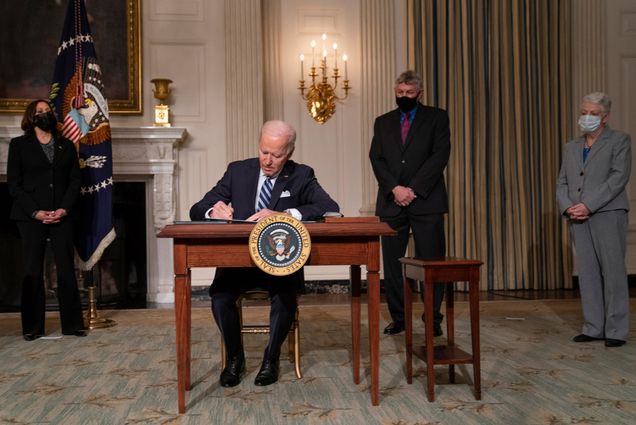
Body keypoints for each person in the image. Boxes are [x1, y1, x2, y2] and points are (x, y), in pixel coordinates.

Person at [190, 120, 339, 387]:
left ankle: (271, 358)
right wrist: (214, 211)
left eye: (276, 154)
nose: (268, 160)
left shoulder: (301, 175)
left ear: (289, 153)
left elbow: (329, 206)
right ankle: (235, 359)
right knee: (219, 296)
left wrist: (283, 215)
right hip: (238, 262)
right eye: (264, 151)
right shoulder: (238, 171)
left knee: (285, 296)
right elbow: (198, 207)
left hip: (279, 261)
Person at [369, 70, 451, 336]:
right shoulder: (382, 122)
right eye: (400, 93)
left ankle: (433, 317)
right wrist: (395, 188)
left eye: (409, 94)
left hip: (426, 201)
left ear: (420, 93)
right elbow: (376, 158)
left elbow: (439, 156)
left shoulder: (437, 117)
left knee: (432, 262)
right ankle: (399, 318)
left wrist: (412, 189)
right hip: (392, 202)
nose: (404, 97)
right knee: (393, 265)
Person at [7, 99, 87, 341]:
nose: (45, 114)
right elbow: (14, 184)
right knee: (32, 270)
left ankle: (72, 325)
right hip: (30, 217)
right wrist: (35, 212)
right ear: (31, 117)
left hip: (63, 215)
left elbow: (75, 181)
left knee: (66, 269)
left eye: (48, 111)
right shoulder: (19, 145)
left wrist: (63, 209)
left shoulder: (66, 145)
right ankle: (32, 327)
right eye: (39, 112)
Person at [557, 92, 631, 348]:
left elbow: (618, 178)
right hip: (577, 217)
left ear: (605, 117)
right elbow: (562, 182)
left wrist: (589, 205)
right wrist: (569, 207)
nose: (587, 117)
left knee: (612, 273)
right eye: (584, 112)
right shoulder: (571, 146)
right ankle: (593, 326)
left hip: (607, 213)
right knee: (587, 273)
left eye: (593, 113)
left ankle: (615, 330)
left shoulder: (619, 140)